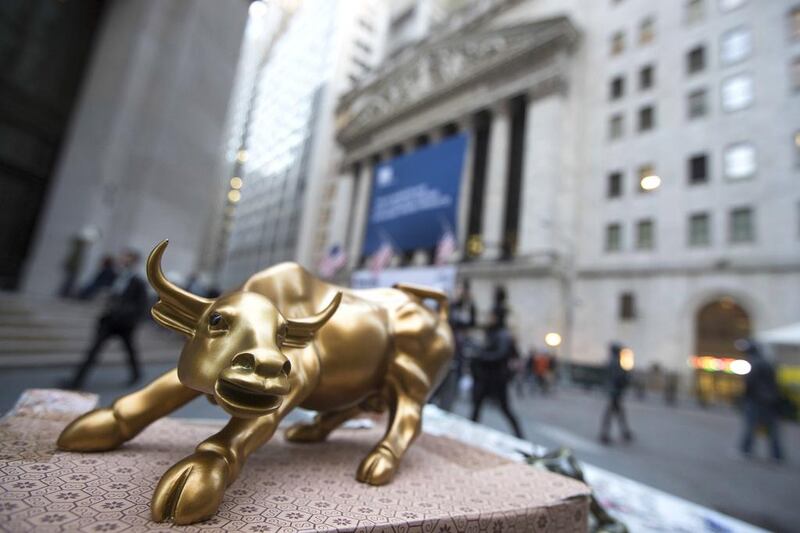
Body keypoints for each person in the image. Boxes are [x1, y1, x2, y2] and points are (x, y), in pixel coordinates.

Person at [65, 249, 148, 389]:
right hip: (109, 321)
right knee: (93, 350)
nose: (123, 259)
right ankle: (76, 381)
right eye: (123, 257)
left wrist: (128, 316)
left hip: (124, 325)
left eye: (127, 257)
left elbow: (141, 306)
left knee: (130, 351)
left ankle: (136, 374)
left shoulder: (138, 282)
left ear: (133, 261)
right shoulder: (115, 276)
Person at [470, 307, 524, 439]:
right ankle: (471, 431)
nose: (488, 319)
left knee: (505, 408)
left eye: (491, 316)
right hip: (487, 377)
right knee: (477, 405)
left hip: (496, 379)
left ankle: (520, 436)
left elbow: (500, 355)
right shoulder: (493, 333)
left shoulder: (502, 335)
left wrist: (480, 356)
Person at [431, 279, 476, 410]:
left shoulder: (460, 310)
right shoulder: (445, 311)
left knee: (447, 398)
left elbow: (470, 322)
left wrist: (469, 302)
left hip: (453, 360)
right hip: (441, 358)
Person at [739, 339, 784, 462]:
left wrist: (744, 396)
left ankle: (745, 450)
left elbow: (750, 382)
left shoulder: (754, 363)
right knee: (772, 428)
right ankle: (777, 455)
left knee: (751, 425)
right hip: (771, 399)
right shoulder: (767, 362)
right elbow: (774, 382)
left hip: (756, 399)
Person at [598, 342, 633, 444]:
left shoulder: (611, 362)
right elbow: (620, 378)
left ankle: (624, 432)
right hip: (615, 392)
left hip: (613, 391)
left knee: (617, 413)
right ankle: (606, 434)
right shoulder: (617, 363)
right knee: (612, 413)